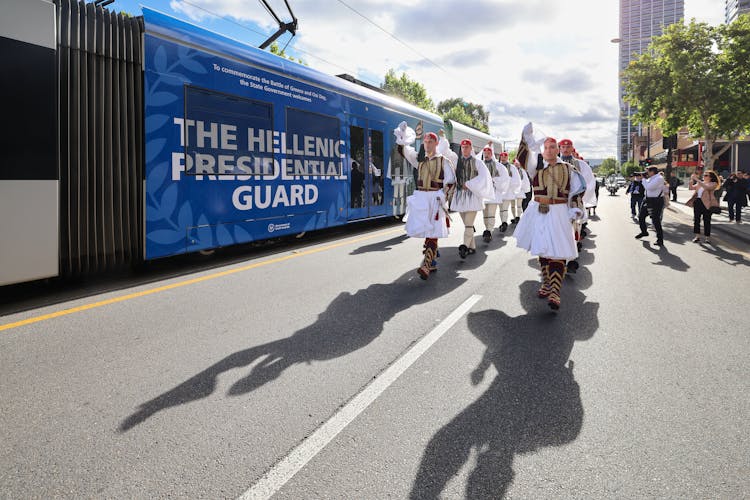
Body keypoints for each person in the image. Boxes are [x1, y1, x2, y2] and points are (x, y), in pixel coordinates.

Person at [514, 130, 585, 310]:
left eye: (552, 147)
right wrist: (526, 138)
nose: (549, 150)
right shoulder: (536, 167)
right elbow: (522, 159)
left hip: (559, 211)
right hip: (538, 210)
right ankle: (547, 283)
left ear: (558, 149)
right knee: (543, 249)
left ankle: (555, 291)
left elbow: (578, 191)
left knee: (558, 251)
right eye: (546, 147)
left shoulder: (569, 169)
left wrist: (575, 208)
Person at [394, 122, 457, 279]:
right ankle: (432, 259)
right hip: (422, 199)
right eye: (426, 142)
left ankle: (426, 265)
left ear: (436, 143)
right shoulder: (420, 159)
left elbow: (451, 182)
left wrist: (442, 196)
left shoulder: (444, 161)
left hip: (436, 199)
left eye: (430, 142)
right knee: (427, 230)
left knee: (432, 232)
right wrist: (402, 135)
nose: (427, 144)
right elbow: (406, 152)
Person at [451, 139, 493, 258]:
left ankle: (464, 247)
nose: (464, 149)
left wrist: (469, 184)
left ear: (471, 148)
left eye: (467, 147)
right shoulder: (457, 162)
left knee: (469, 224)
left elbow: (484, 178)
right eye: (463, 147)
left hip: (472, 196)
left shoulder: (478, 162)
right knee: (467, 224)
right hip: (459, 197)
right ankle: (472, 246)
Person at [480, 143, 510, 242]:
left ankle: (489, 231)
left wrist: (494, 180)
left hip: (494, 193)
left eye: (488, 152)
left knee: (491, 213)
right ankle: (487, 229)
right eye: (485, 152)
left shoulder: (498, 166)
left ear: (491, 153)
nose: (486, 154)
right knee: (485, 214)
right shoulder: (480, 164)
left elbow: (505, 178)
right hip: (484, 194)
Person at [687, 169, 721, 243]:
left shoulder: (713, 183)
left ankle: (707, 237)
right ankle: (697, 236)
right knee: (696, 220)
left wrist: (697, 179)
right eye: (704, 175)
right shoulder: (701, 183)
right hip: (697, 202)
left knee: (707, 220)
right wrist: (692, 180)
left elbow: (708, 188)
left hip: (707, 203)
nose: (704, 176)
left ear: (710, 177)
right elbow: (691, 188)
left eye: (706, 175)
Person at [634, 166, 665, 246]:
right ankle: (644, 232)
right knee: (641, 216)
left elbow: (649, 187)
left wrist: (643, 179)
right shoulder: (651, 178)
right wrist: (642, 178)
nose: (645, 173)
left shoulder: (659, 178)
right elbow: (643, 183)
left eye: (647, 171)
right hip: (647, 200)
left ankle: (660, 240)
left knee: (656, 220)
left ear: (652, 172)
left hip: (656, 201)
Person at [498, 151, 520, 232]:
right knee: (501, 209)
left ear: (507, 158)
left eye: (505, 156)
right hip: (499, 191)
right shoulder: (498, 166)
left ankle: (504, 222)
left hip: (508, 191)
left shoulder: (512, 167)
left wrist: (507, 180)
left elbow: (516, 179)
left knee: (505, 208)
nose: (503, 158)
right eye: (502, 156)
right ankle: (503, 222)